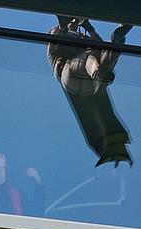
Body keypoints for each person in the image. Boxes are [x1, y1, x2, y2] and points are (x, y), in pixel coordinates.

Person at [48, 17, 134, 166]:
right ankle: (98, 75)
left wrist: (89, 27)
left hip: (89, 84)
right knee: (91, 54)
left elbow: (100, 47)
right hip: (70, 72)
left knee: (105, 53)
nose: (74, 22)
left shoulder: (84, 37)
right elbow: (57, 39)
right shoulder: (55, 33)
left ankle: (118, 38)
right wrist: (65, 23)